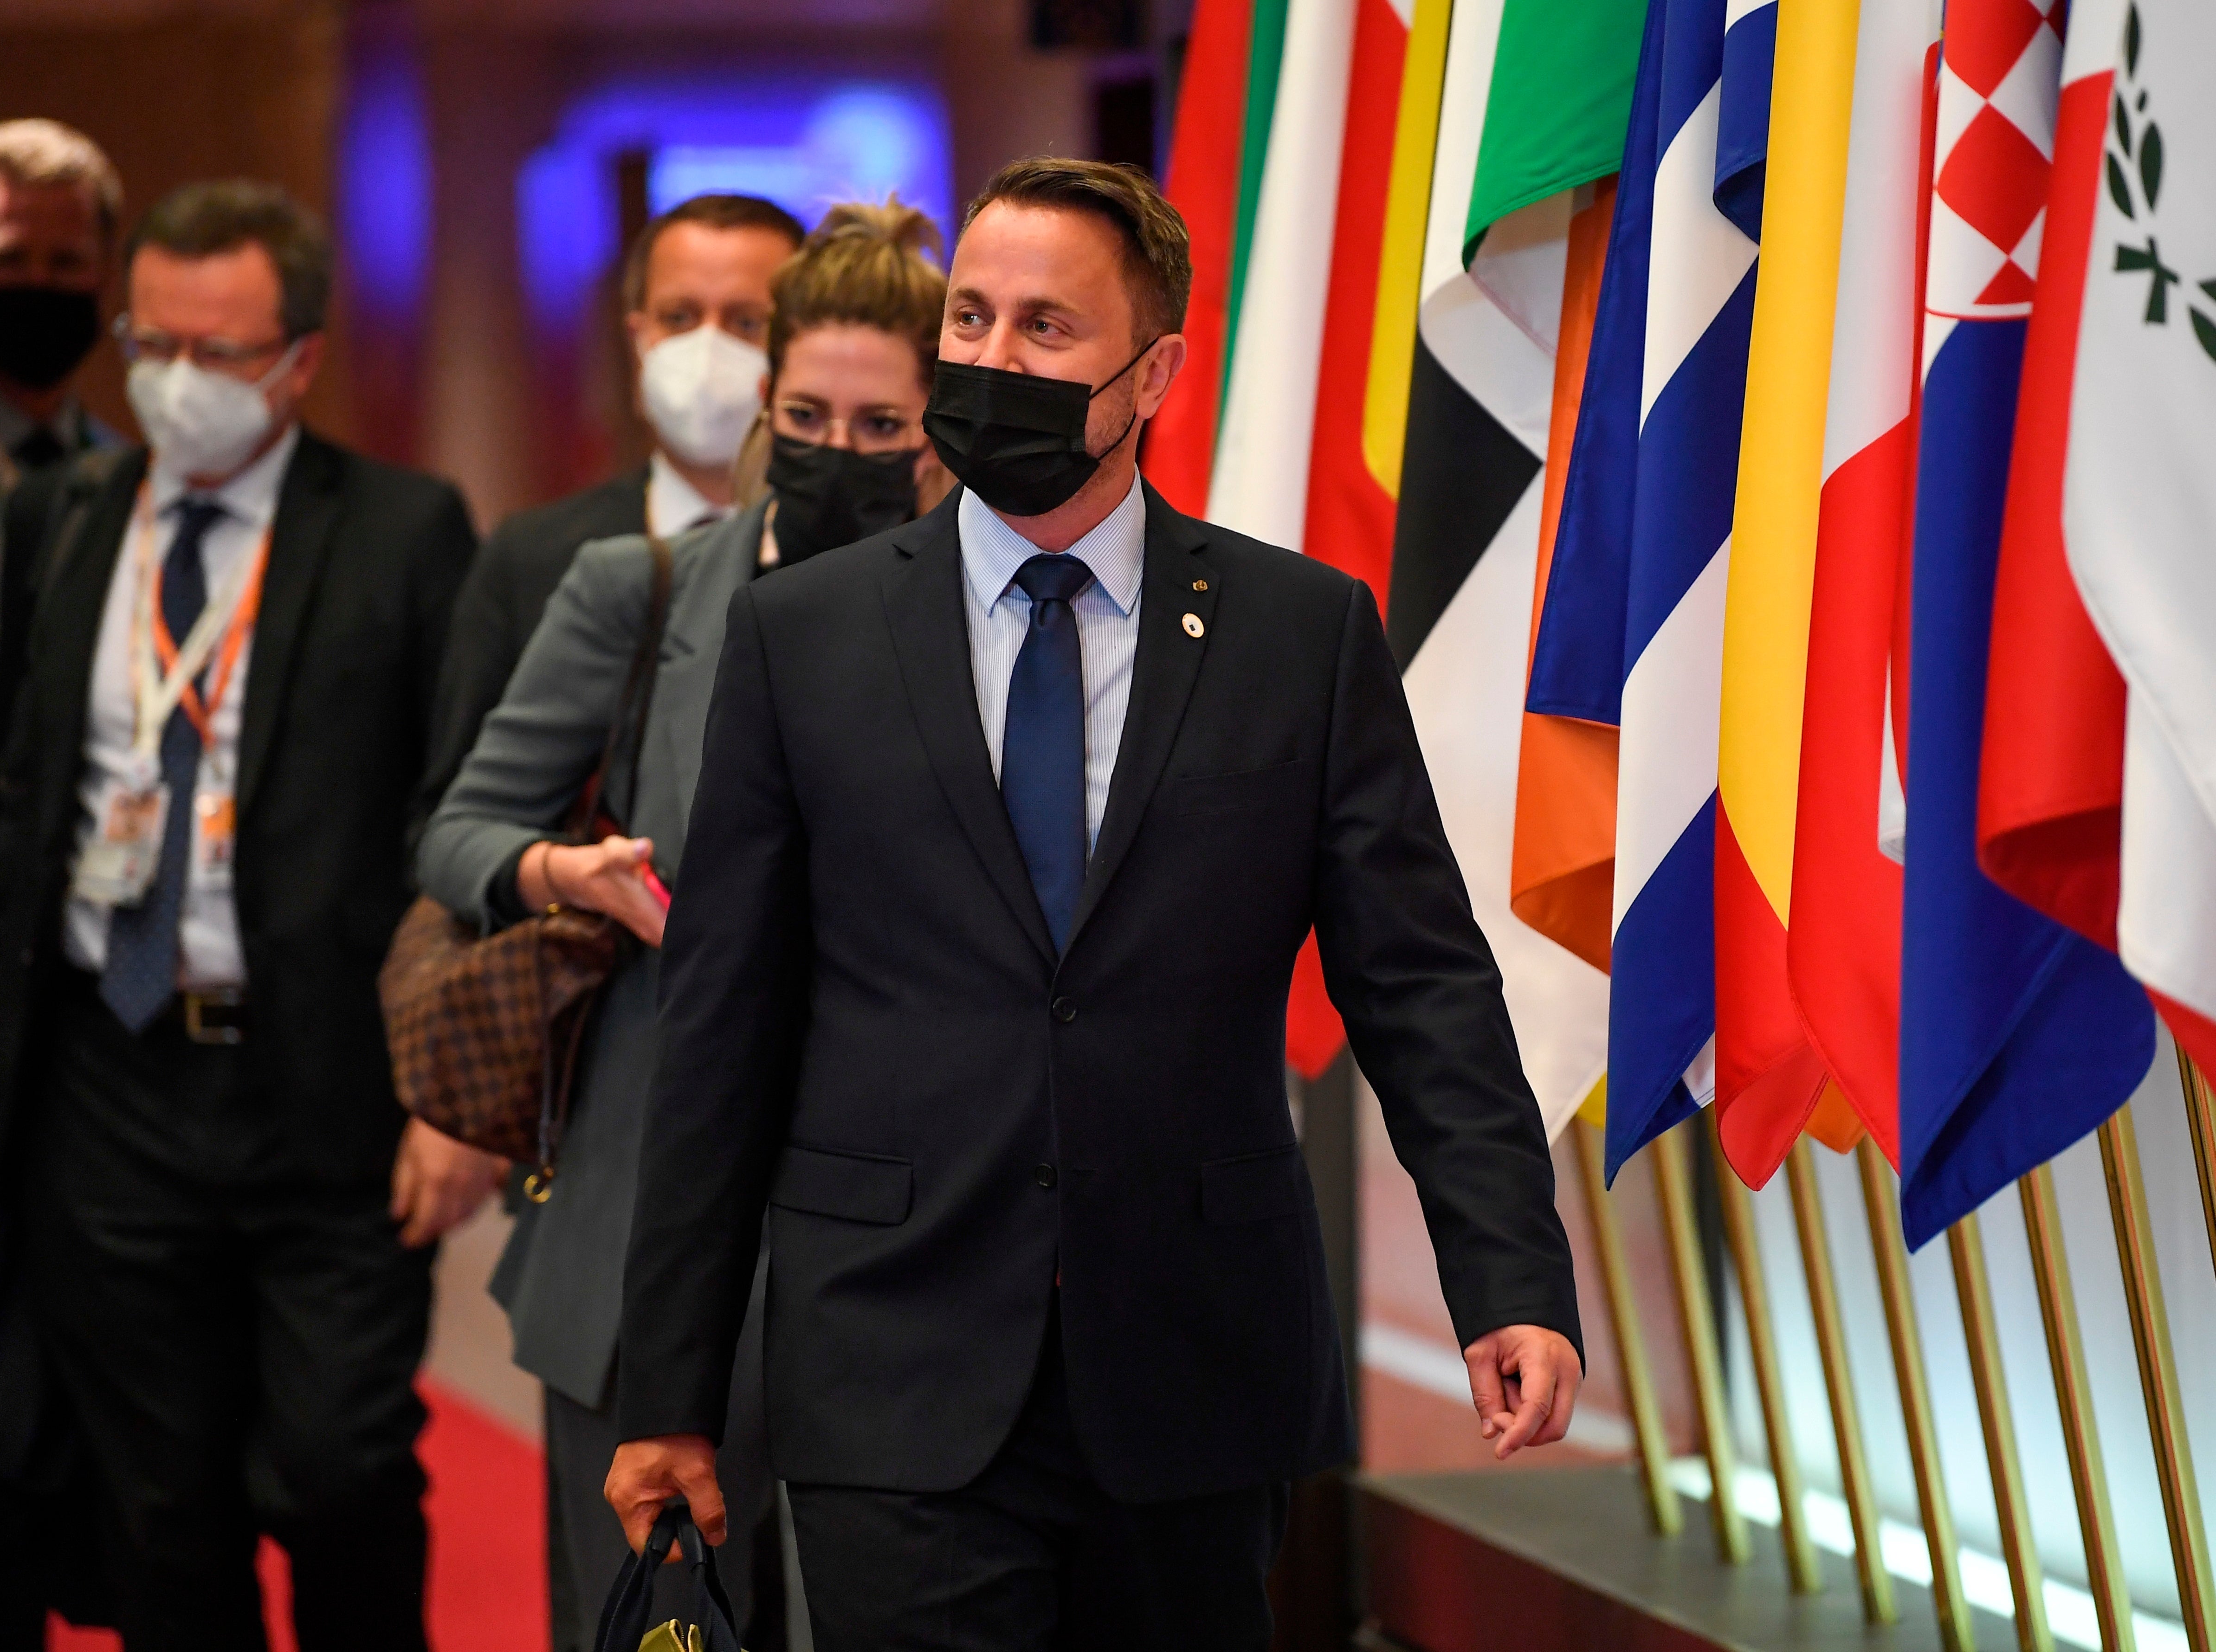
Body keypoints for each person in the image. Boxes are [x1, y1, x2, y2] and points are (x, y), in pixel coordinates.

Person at [604, 157, 1586, 1648]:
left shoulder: (1297, 635)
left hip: (1196, 1373)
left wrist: (1509, 1273)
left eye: (1047, 331)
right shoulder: (805, 637)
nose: (993, 360)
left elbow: (1420, 984)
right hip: (896, 1373)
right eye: (975, 320)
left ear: (1155, 375)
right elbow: (722, 1032)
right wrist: (669, 1393)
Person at [419, 199, 949, 1648]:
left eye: (882, 425)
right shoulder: (639, 589)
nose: (840, 453)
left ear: (937, 423)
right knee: (663, 1623)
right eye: (809, 415)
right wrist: (562, 876)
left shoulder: (990, 622)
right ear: (768, 404)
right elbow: (459, 832)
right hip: (646, 1213)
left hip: (895, 1229)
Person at [0, 179, 487, 1651]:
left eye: (222, 354)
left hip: (319, 1086)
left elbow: (450, 816)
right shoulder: (62, 515)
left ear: (301, 360)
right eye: (154, 345)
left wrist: (454, 1096)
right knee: (156, 1511)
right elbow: (25, 797)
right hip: (106, 1079)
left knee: (337, 1475)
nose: (177, 384)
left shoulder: (401, 531)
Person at [417, 192, 803, 827]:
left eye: (746, 322)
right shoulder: (532, 558)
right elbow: (457, 819)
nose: (707, 351)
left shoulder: (853, 550)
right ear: (637, 338)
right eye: (679, 317)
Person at [0, 119, 123, 890]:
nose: (38, 286)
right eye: (9, 259)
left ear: (106, 274)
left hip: (74, 917)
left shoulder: (123, 477)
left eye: (67, 263)